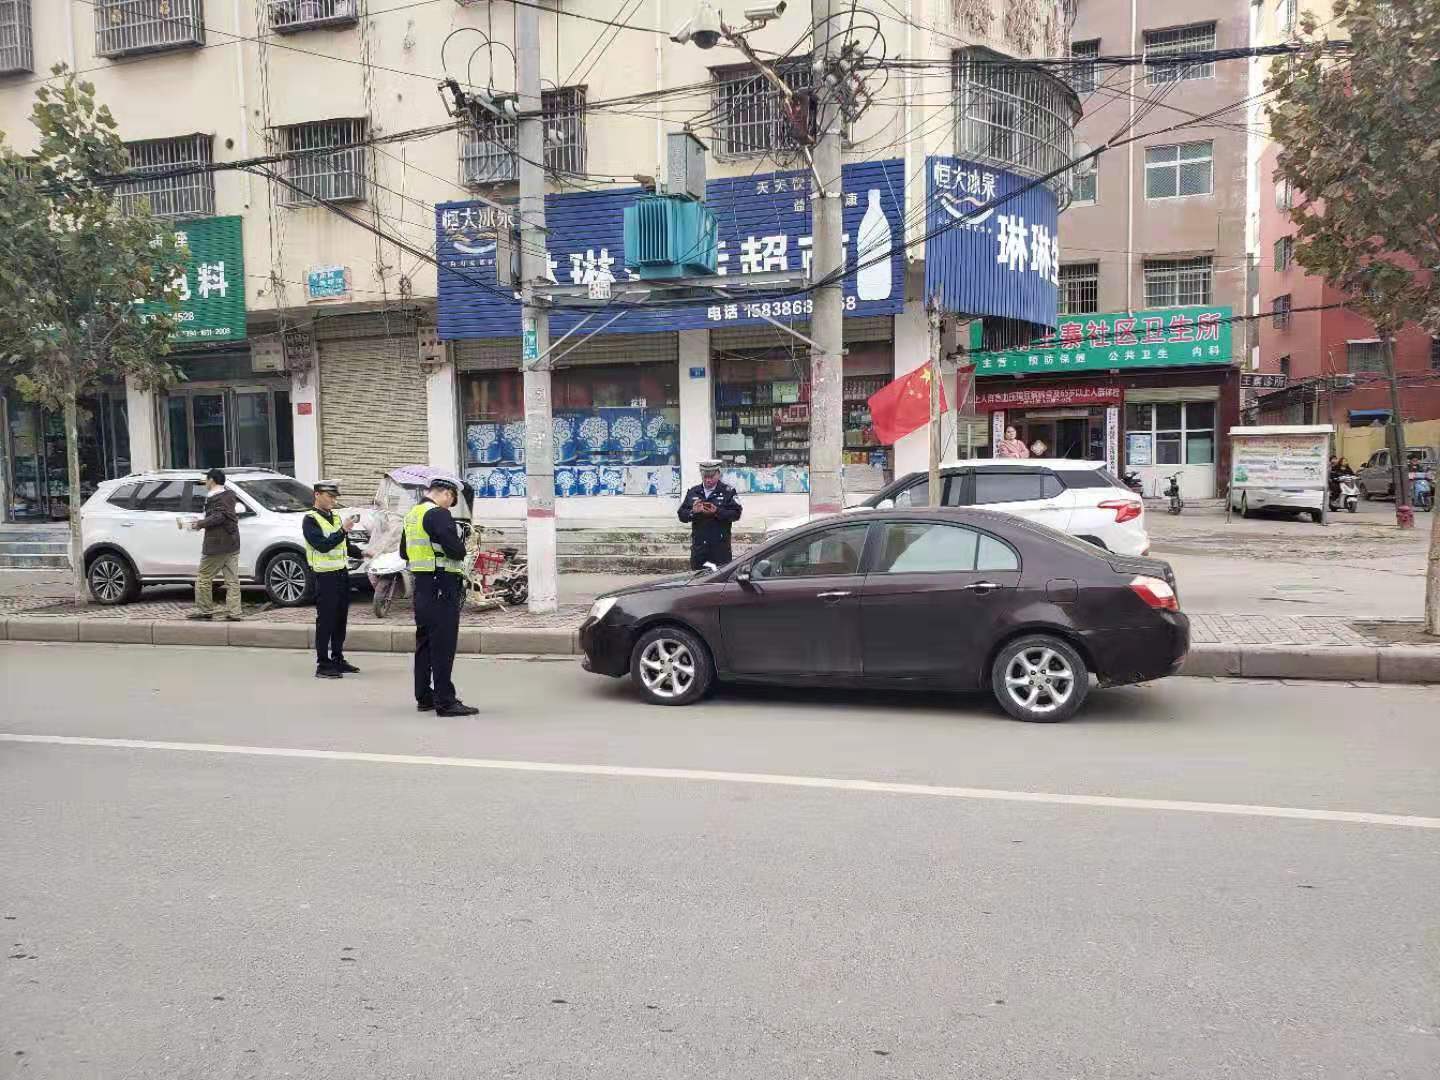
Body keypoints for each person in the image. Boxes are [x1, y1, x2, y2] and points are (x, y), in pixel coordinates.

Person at [400, 476, 478, 717]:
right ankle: (445, 701)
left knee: (424, 642)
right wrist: (461, 542)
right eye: (451, 499)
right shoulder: (439, 514)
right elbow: (456, 551)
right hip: (442, 584)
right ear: (446, 493)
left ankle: (424, 696)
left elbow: (404, 552)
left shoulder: (412, 515)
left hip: (423, 585)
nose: (450, 504)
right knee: (443, 644)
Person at [303, 480, 361, 680]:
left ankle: (337, 658)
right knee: (326, 620)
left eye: (335, 497)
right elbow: (322, 545)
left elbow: (345, 545)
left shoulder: (335, 517)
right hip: (324, 576)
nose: (333, 500)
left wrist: (364, 553)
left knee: (340, 619)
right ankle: (323, 663)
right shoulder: (310, 520)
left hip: (341, 574)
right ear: (317, 495)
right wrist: (343, 530)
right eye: (330, 496)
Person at [185, 468, 243, 622]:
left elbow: (219, 516)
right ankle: (235, 612)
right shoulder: (229, 495)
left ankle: (205, 610)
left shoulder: (216, 497)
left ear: (211, 480)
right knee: (232, 580)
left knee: (204, 577)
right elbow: (222, 515)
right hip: (232, 543)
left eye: (206, 480)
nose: (205, 482)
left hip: (216, 545)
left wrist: (200, 524)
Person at [678, 460, 743, 570]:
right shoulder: (694, 492)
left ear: (718, 474)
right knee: (697, 578)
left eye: (711, 476)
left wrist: (717, 511)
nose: (708, 480)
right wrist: (693, 512)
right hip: (699, 549)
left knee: (721, 579)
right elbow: (681, 514)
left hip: (720, 549)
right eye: (705, 477)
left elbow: (736, 514)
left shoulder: (728, 491)